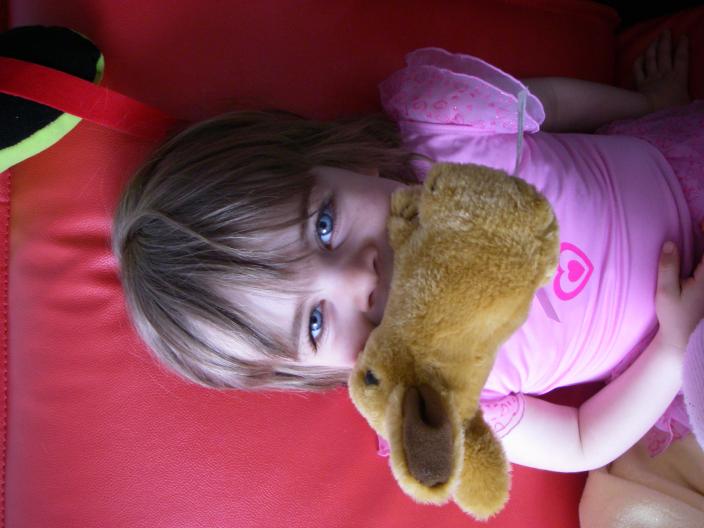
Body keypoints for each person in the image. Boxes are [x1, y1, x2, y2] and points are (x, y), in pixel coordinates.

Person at [111, 30, 704, 472]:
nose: (357, 279)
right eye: (315, 322)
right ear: (311, 372)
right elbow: (580, 441)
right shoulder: (440, 398)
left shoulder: (444, 132)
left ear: (341, 161)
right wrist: (673, 348)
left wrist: (648, 108)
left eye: (324, 225)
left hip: (680, 159)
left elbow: (545, 105)